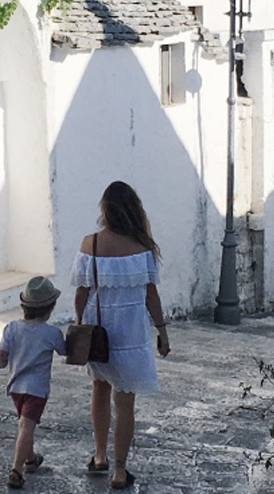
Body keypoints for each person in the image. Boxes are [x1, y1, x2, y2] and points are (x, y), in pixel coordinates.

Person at [72, 181, 171, 490]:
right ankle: (118, 470)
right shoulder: (143, 248)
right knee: (125, 402)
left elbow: (81, 293)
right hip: (131, 333)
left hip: (99, 331)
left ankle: (100, 456)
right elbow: (150, 296)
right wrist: (162, 331)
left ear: (105, 209)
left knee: (99, 390)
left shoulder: (91, 245)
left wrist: (79, 323)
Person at [0, 276, 67, 489]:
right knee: (26, 426)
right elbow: (64, 351)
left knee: (25, 424)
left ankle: (30, 459)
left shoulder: (11, 328)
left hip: (15, 386)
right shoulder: (52, 333)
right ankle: (16, 469)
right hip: (36, 389)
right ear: (50, 308)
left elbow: (2, 355)